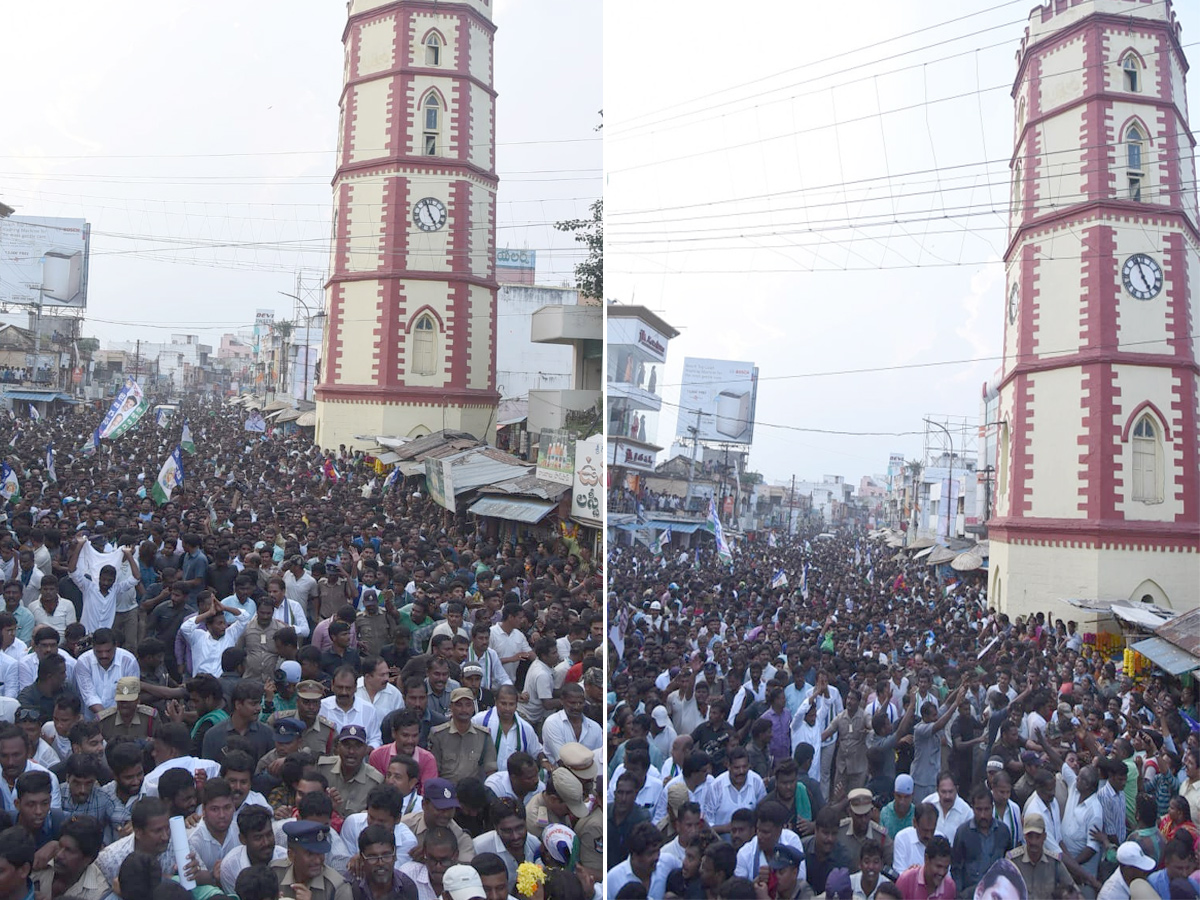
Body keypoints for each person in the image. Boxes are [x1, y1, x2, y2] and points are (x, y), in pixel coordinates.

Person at [271, 820, 353, 900]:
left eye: (321, 853)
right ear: (291, 855)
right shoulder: (275, 873)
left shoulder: (337, 887)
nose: (317, 861)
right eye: (310, 854)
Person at [470, 798, 539, 891]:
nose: (515, 836)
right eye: (507, 831)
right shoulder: (479, 848)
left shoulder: (535, 844)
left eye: (519, 828)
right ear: (496, 828)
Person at [1005, 811, 1074, 899]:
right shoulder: (1012, 861)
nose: (1034, 842)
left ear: (1044, 836)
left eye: (1038, 836)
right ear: (1025, 836)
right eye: (1030, 836)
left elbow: (1073, 890)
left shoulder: (1054, 862)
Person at [351, 823, 420, 900]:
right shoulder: (350, 887)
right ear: (362, 858)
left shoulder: (407, 887)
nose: (380, 863)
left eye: (386, 855)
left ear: (395, 855)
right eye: (372, 857)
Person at [894, 834, 955, 900]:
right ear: (926, 859)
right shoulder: (906, 881)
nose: (942, 872)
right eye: (938, 866)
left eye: (946, 868)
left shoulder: (950, 887)